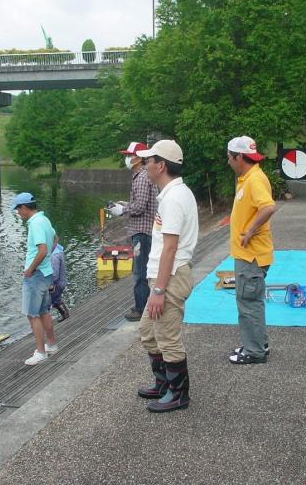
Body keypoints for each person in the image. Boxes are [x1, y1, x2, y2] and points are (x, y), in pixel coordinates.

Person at [134, 140, 198, 412]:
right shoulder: (173, 194)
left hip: (169, 277)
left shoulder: (173, 199)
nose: (144, 165)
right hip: (163, 275)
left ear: (161, 165)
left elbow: (170, 248)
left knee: (168, 338)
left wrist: (158, 290)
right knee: (148, 332)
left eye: (148, 161)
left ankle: (178, 394)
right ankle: (163, 383)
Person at [226, 136, 276, 365]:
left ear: (239, 157)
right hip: (249, 253)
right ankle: (258, 343)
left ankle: (254, 351)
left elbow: (268, 207)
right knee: (251, 300)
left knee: (248, 302)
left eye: (230, 157)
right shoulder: (250, 177)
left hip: (251, 254)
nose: (228, 161)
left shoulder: (254, 179)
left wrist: (250, 230)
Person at [110, 142, 158, 322]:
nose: (127, 158)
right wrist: (124, 205)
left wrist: (123, 210)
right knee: (141, 269)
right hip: (141, 230)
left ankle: (141, 309)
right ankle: (142, 304)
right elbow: (139, 203)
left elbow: (139, 207)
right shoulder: (141, 176)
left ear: (138, 158)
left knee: (140, 271)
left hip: (142, 232)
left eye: (129, 155)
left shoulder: (142, 177)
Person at [11, 192, 60, 366]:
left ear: (24, 207)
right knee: (43, 311)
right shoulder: (44, 219)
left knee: (32, 315)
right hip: (46, 273)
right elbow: (55, 239)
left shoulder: (35, 224)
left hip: (36, 275)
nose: (18, 213)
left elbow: (42, 250)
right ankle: (51, 345)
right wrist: (45, 261)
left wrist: (30, 270)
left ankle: (40, 352)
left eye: (18, 210)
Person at [49, 243, 70, 322]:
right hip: (62, 281)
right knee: (56, 299)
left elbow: (55, 273)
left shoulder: (54, 256)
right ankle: (65, 314)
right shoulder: (59, 250)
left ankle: (43, 323)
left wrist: (52, 284)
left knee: (45, 304)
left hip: (56, 284)